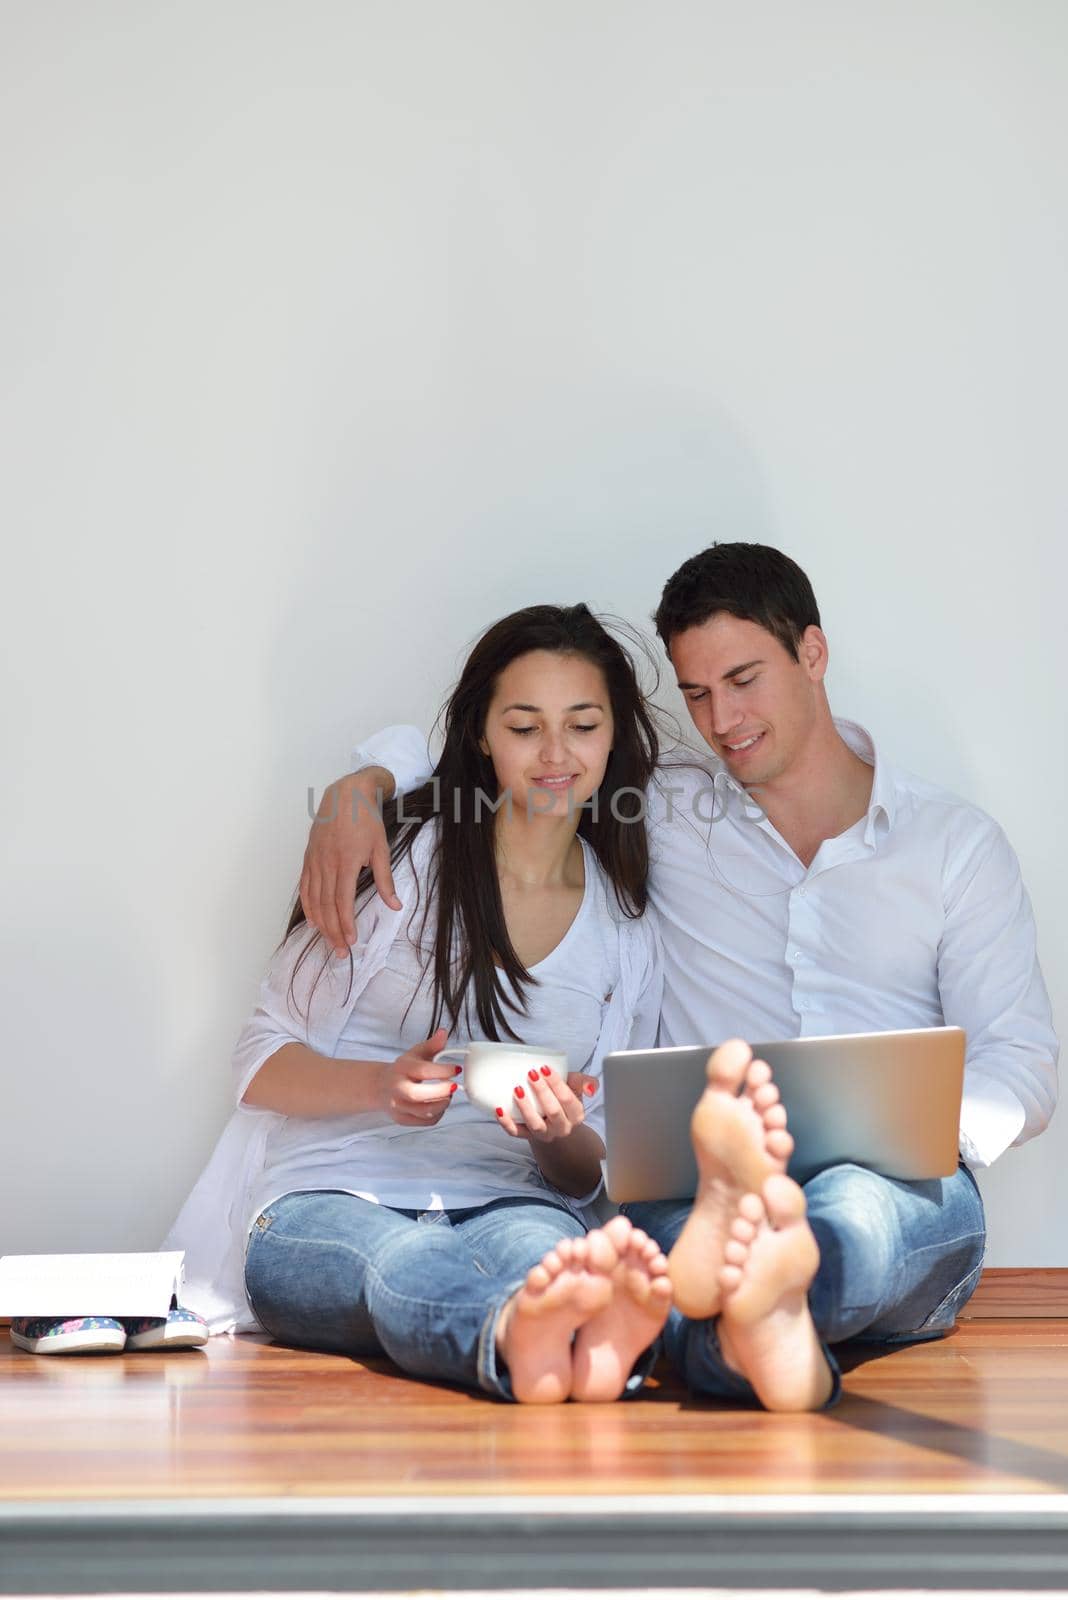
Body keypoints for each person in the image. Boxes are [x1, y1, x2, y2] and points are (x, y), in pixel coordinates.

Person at [301, 543, 1058, 1410]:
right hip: (703, 1186)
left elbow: (1023, 1064)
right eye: (695, 693)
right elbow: (510, 753)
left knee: (852, 1211)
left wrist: (911, 1127)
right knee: (666, 1258)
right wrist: (360, 786)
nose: (721, 719)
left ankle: (770, 1281)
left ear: (813, 653)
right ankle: (764, 1333)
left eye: (743, 680)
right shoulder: (663, 807)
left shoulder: (953, 847)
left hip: (892, 1181)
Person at [163, 603, 681, 1405]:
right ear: (480, 733)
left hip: (509, 1193)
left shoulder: (625, 928)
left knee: (549, 1249)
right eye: (524, 726)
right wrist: (378, 1087)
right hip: (328, 1194)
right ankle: (519, 1339)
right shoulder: (404, 858)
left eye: (582, 725)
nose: (555, 754)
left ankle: (554, 1341)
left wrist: (556, 1137)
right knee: (394, 1261)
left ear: (612, 736)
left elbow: (588, 1173)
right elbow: (260, 1057)